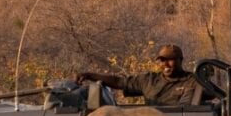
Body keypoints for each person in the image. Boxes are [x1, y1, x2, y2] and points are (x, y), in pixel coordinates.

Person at [76, 44, 208, 106]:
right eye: (162, 60)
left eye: (170, 59)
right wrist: (89, 75)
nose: (165, 64)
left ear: (180, 60)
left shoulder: (192, 80)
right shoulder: (149, 80)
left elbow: (211, 93)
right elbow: (119, 82)